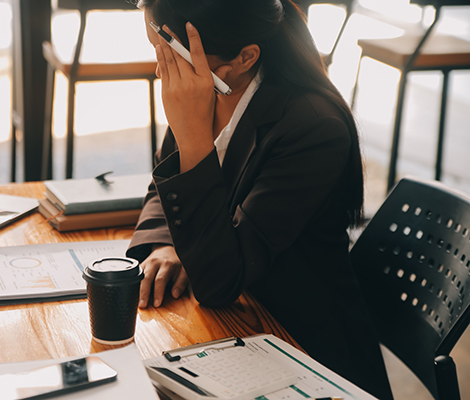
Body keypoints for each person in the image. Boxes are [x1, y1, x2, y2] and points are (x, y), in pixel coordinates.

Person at [126, 0, 394, 398]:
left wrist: (194, 137)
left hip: (304, 355)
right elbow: (165, 182)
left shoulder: (313, 126)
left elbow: (220, 281)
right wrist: (167, 243)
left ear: (245, 57)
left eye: (173, 55)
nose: (162, 68)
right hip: (241, 331)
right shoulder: (210, 83)